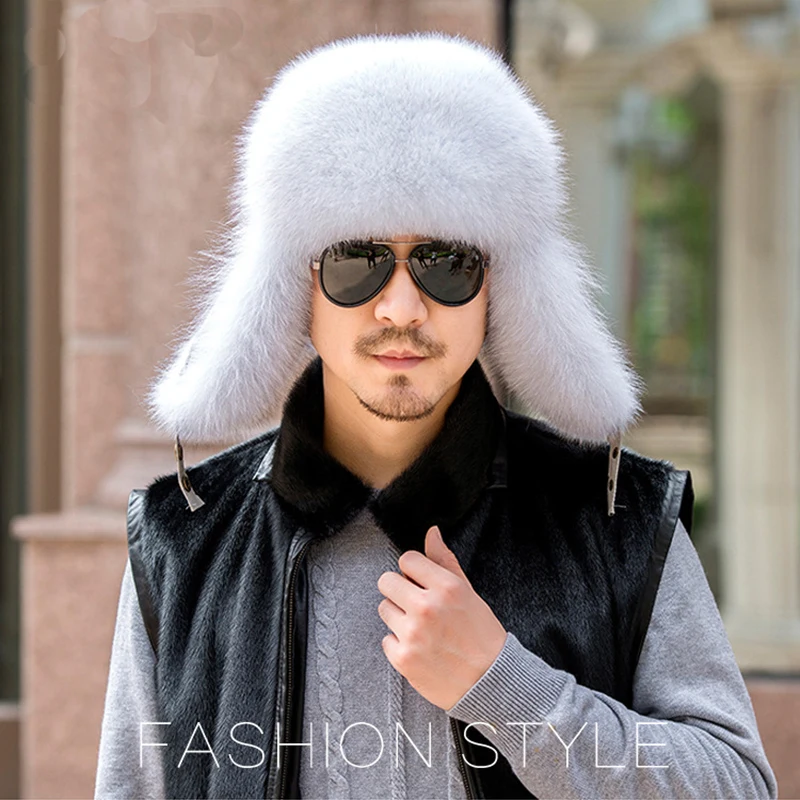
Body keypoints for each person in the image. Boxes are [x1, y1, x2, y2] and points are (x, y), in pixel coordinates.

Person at [94, 32, 778, 800]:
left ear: (498, 287)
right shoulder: (186, 540)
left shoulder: (614, 519)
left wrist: (506, 687)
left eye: (446, 263)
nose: (400, 307)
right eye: (357, 261)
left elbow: (738, 785)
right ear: (297, 286)